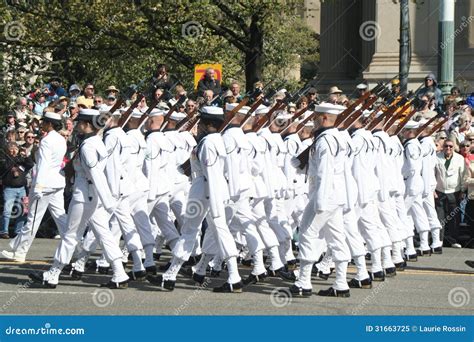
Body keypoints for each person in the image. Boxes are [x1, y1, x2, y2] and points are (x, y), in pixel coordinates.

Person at [28, 108, 129, 289]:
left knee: (70, 235)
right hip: (92, 196)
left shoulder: (89, 146)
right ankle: (119, 273)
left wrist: (108, 202)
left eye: (79, 122)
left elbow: (96, 174)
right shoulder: (97, 142)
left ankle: (53, 274)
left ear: (87, 124)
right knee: (103, 233)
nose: (76, 125)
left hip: (84, 196)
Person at [148, 106, 243, 293]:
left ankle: (172, 275)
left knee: (191, 231)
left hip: (204, 192)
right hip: (210, 192)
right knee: (214, 231)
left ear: (207, 124)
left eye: (201, 122)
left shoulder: (208, 143)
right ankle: (186, 273)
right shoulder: (218, 140)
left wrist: (214, 205)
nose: (198, 125)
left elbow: (212, 175)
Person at [287, 103, 351, 298]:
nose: (312, 120)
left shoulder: (325, 141)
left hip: (324, 196)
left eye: (315, 117)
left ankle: (303, 282)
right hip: (336, 196)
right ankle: (341, 283)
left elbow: (325, 172)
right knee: (337, 238)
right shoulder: (336, 138)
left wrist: (319, 201)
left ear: (324, 118)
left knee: (306, 233)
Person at [2, 112, 68, 261]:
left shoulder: (47, 141)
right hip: (56, 182)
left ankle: (20, 252)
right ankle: (74, 248)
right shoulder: (60, 139)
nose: (42, 124)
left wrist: (38, 185)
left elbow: (43, 165)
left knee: (33, 219)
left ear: (50, 124)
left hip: (44, 184)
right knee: (61, 218)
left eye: (44, 122)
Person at [434, 138, 468, 248]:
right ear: (443, 147)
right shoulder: (436, 157)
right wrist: (433, 190)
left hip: (454, 192)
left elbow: (463, 175)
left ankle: (453, 240)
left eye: (451, 146)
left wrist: (462, 190)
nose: (448, 148)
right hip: (440, 191)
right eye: (446, 146)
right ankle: (438, 240)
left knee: (454, 218)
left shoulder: (460, 159)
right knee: (440, 217)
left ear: (454, 148)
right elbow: (432, 174)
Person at [0, 142, 34, 239]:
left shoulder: (21, 159)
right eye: (11, 148)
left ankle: (18, 231)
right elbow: (6, 166)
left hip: (21, 189)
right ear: (7, 150)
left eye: (15, 148)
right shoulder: (4, 159)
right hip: (9, 189)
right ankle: (4, 231)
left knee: (22, 210)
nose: (13, 150)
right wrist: (14, 157)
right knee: (7, 210)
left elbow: (30, 164)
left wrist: (26, 155)